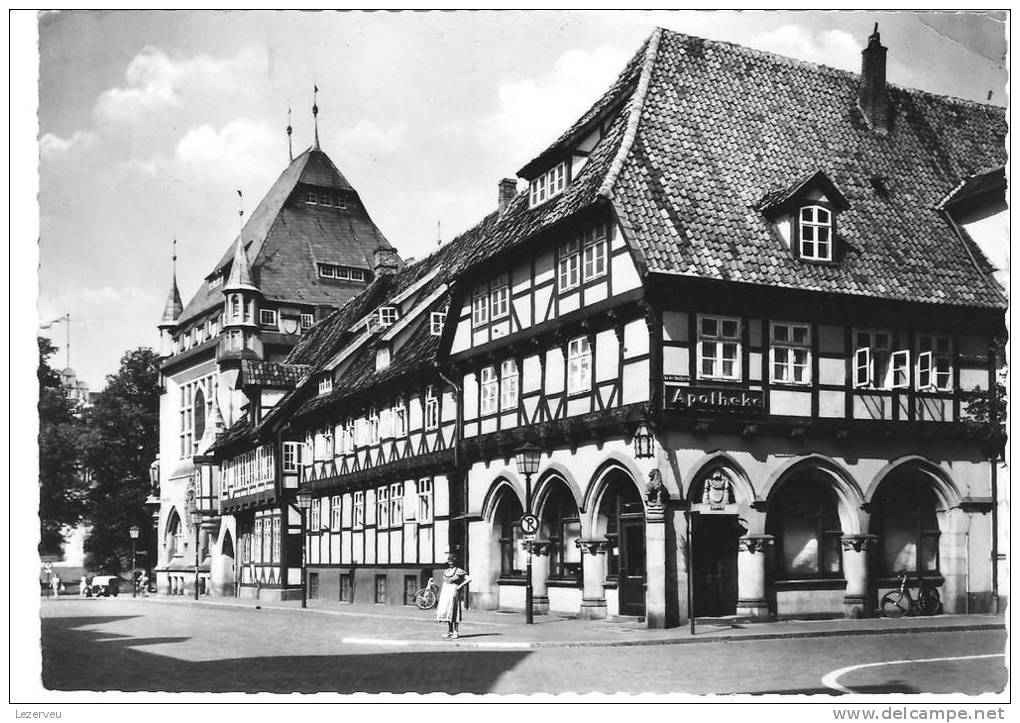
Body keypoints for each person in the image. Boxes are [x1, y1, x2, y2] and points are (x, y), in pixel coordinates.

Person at [435, 552, 471, 639]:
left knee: (454, 610)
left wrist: (460, 586)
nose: (450, 562)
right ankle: (450, 631)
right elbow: (445, 582)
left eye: (452, 560)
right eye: (449, 560)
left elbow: (468, 579)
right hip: (446, 591)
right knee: (447, 611)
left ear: (455, 561)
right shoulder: (446, 571)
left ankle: (456, 631)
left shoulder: (458, 570)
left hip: (453, 591)